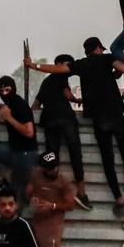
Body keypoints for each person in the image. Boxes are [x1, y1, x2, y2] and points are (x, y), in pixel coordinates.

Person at [26, 37, 124, 218]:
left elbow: (58, 69)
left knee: (107, 160)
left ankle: (118, 200)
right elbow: (122, 68)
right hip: (116, 113)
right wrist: (117, 69)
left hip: (98, 118)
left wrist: (34, 66)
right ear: (98, 48)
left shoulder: (81, 65)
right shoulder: (106, 59)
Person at [32, 54, 91, 210]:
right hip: (65, 118)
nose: (67, 68)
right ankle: (82, 193)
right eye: (66, 64)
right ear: (57, 64)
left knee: (51, 156)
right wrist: (78, 101)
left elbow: (36, 104)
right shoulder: (62, 76)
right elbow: (68, 95)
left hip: (50, 119)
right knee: (75, 153)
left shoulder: (47, 81)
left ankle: (50, 192)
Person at [0, 76, 38, 207]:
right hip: (14, 151)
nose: (4, 93)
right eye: (1, 90)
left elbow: (29, 132)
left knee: (18, 199)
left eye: (7, 90)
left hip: (25, 154)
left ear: (13, 89)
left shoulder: (19, 104)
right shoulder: (11, 103)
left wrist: (9, 118)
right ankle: (8, 174)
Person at [27, 150, 76, 247]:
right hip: (37, 221)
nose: (53, 171)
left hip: (53, 223)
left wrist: (53, 206)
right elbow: (27, 191)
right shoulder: (36, 175)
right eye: (49, 168)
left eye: (55, 167)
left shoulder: (64, 181)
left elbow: (70, 204)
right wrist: (32, 199)